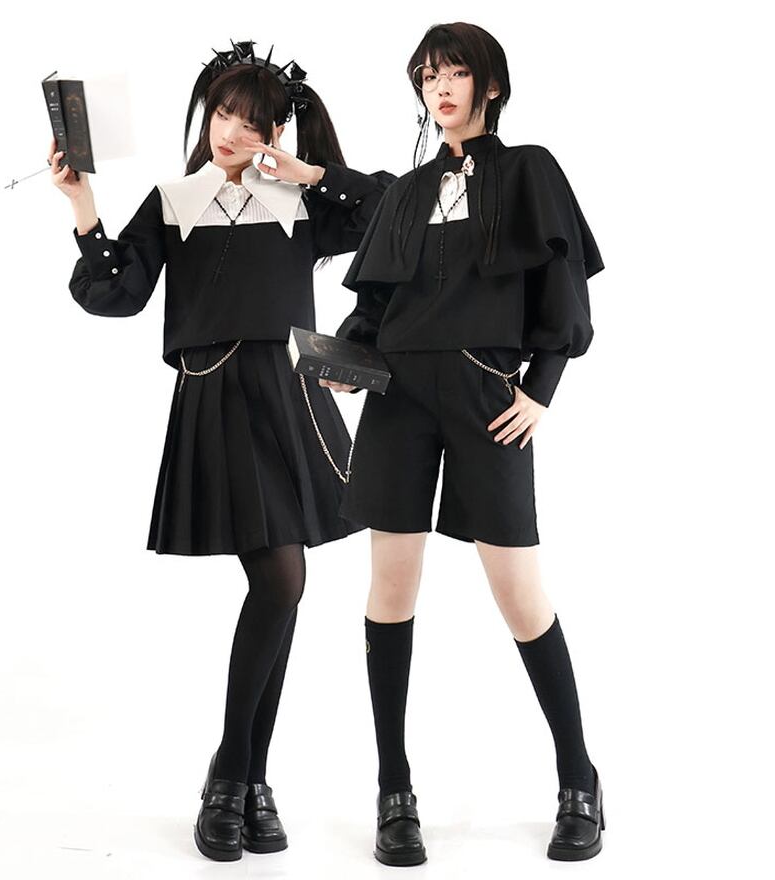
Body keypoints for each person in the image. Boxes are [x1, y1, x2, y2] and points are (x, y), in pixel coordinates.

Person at [50, 39, 394, 862]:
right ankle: (238, 776)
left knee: (284, 585)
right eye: (222, 114)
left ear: (274, 131)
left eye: (249, 121)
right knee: (282, 581)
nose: (230, 132)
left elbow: (389, 210)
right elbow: (114, 292)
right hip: (216, 398)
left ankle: (239, 779)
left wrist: (307, 170)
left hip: (291, 400)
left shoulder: (299, 202)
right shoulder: (174, 201)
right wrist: (83, 204)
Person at [321, 22, 606, 865]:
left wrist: (540, 390)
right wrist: (344, 364)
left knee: (519, 591)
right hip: (399, 400)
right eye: (427, 76)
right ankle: (394, 789)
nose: (439, 88)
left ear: (490, 84)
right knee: (390, 587)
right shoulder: (408, 191)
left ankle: (580, 778)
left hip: (489, 397)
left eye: (454, 73)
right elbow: (374, 308)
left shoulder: (529, 171)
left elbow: (563, 292)